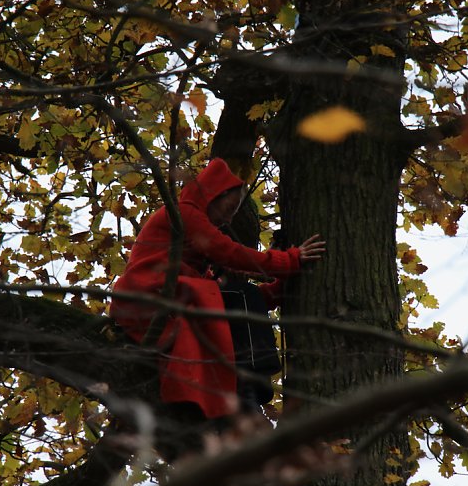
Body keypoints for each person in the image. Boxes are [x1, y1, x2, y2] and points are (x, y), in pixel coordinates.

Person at [109, 158, 325, 420]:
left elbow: (235, 301)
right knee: (242, 294)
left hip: (166, 300)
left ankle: (243, 389)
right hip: (148, 293)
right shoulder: (185, 213)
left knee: (239, 298)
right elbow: (226, 252)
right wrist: (288, 261)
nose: (228, 219)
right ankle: (248, 381)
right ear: (215, 193)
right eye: (230, 207)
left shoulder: (196, 271)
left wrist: (280, 288)